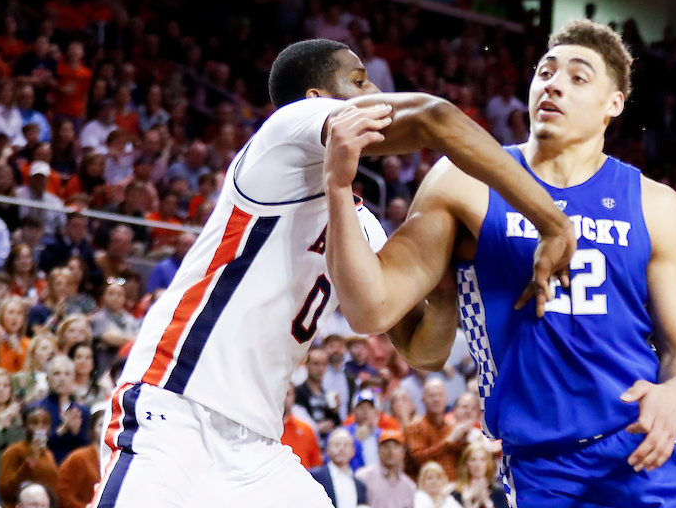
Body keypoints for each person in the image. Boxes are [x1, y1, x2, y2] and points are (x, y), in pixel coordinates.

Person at [90, 38, 574, 507]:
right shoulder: (284, 131)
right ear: (316, 101)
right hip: (174, 404)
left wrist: (445, 286)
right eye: (360, 82)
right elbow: (435, 117)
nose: (376, 96)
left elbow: (420, 350)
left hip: (255, 444)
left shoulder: (359, 220)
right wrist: (550, 220)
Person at [324, 19, 676, 507]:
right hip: (546, 467)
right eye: (546, 71)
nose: (554, 84)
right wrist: (337, 186)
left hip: (649, 445)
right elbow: (370, 309)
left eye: (578, 77)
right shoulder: (463, 183)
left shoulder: (653, 203)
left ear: (613, 105)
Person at [404, 378, 466, 480]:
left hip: (452, 485)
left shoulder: (452, 427)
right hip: (425, 486)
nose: (436, 399)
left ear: (446, 398)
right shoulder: (415, 427)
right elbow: (419, 459)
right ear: (423, 399)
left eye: (440, 395)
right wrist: (448, 442)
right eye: (431, 396)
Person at [31, 357, 88, 465]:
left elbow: (88, 448)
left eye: (67, 374)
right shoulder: (36, 409)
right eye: (57, 374)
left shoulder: (83, 411)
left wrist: (76, 432)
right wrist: (62, 430)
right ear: (47, 378)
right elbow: (36, 445)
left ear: (73, 378)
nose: (62, 378)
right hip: (45, 469)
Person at [0, 406, 58, 505]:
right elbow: (5, 491)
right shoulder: (14, 451)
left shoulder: (48, 454)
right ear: (24, 426)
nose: (40, 428)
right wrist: (30, 462)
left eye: (44, 424)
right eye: (34, 423)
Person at [310, 429, 369, 508]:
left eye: (346, 445)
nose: (341, 449)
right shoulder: (315, 477)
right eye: (336, 445)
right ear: (327, 450)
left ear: (353, 451)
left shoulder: (360, 484)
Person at [357, 430, 416, 508]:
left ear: (403, 452)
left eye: (395, 447)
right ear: (378, 450)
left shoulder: (409, 486)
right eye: (386, 447)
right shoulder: (363, 477)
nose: (391, 451)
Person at [452, 441, 507, 508]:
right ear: (466, 464)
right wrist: (467, 503)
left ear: (488, 464)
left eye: (482, 460)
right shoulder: (457, 493)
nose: (478, 464)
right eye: (473, 460)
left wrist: (487, 502)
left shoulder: (498, 493)